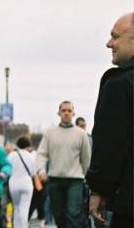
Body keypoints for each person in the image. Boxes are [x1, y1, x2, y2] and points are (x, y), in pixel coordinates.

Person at [86, 12, 133, 228]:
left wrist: (98, 189)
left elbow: (110, 145)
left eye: (115, 36)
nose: (109, 43)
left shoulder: (120, 85)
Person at [36, 100, 92, 228]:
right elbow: (41, 154)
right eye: (64, 110)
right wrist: (41, 170)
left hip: (75, 180)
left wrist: (88, 180)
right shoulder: (50, 133)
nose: (66, 113)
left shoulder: (81, 134)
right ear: (59, 113)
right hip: (55, 179)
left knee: (73, 212)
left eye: (69, 111)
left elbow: (86, 159)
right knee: (58, 214)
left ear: (73, 113)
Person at [8, 135, 37, 228]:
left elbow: (7, 168)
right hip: (26, 183)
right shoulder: (31, 156)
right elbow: (34, 172)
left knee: (16, 208)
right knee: (24, 208)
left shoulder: (12, 155)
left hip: (13, 183)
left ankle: (16, 226)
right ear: (28, 144)